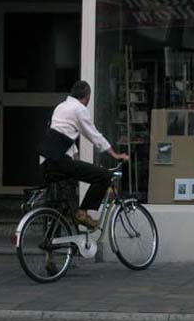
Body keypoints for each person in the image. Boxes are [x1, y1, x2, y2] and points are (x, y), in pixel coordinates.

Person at [37, 81, 129, 228]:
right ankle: (83, 213)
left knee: (65, 199)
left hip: (47, 163)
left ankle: (61, 236)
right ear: (87, 96)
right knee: (104, 175)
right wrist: (115, 154)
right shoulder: (79, 109)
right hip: (60, 162)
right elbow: (93, 135)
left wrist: (76, 158)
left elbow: (64, 136)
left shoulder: (61, 107)